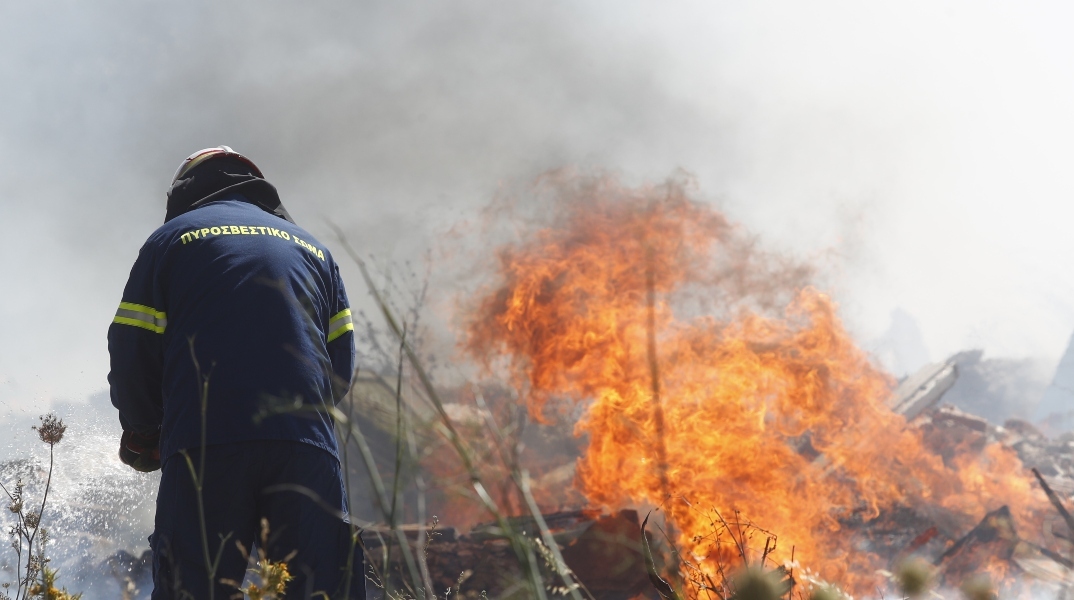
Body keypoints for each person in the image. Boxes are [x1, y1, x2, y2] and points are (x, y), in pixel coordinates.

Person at [108, 146, 362, 599]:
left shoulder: (171, 239)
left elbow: (132, 346)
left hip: (207, 442)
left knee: (195, 588)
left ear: (186, 191)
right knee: (319, 588)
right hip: (306, 449)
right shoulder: (315, 250)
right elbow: (339, 365)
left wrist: (145, 430)